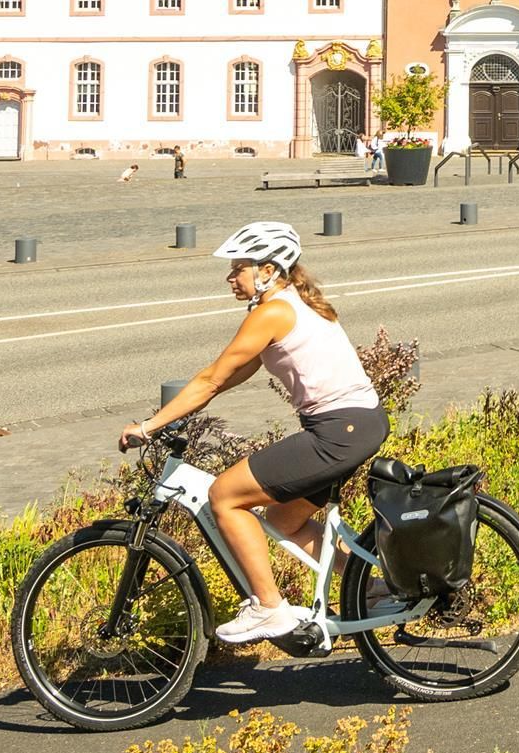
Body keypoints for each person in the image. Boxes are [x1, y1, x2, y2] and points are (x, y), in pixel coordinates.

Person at [125, 221, 389, 647]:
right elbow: (231, 375)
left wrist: (148, 426)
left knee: (225, 496)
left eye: (238, 268)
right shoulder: (292, 303)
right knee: (284, 521)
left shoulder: (273, 313)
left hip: (337, 432)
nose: (230, 277)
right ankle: (371, 589)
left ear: (267, 271)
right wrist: (183, 411)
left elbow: (211, 378)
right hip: (358, 425)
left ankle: (268, 607)